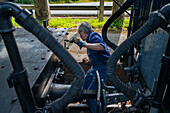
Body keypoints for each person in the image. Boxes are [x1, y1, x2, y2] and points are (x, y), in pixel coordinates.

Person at [70, 22, 110, 113]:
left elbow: (101, 47)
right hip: (94, 68)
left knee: (90, 97)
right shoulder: (90, 39)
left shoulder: (93, 36)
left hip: (102, 70)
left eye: (80, 35)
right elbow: (97, 53)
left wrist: (83, 44)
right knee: (83, 88)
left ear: (83, 32)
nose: (80, 37)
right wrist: (89, 61)